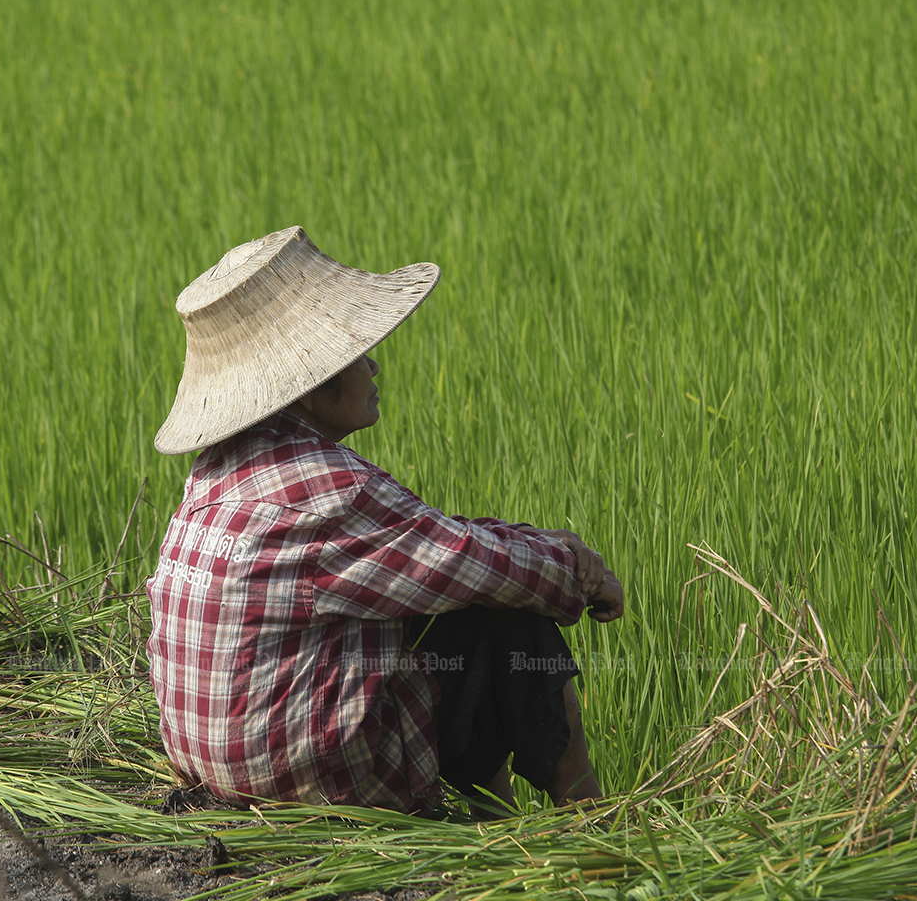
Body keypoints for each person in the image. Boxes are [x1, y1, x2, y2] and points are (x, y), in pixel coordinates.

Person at [146, 227, 624, 814]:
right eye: (354, 355)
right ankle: (589, 816)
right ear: (310, 388)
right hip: (294, 781)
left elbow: (426, 542)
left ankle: (493, 818)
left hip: (211, 764)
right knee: (504, 610)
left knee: (450, 595)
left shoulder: (215, 473)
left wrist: (543, 545)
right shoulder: (326, 489)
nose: (373, 365)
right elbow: (466, 562)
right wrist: (579, 572)